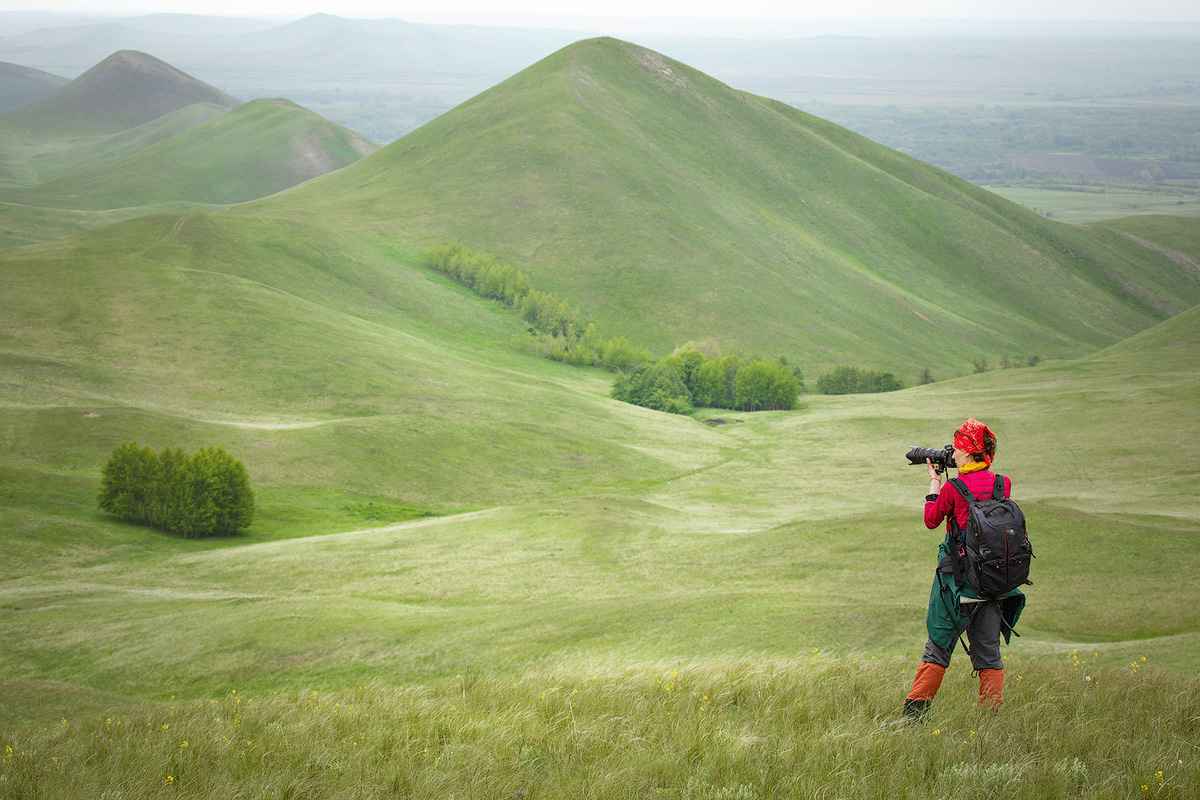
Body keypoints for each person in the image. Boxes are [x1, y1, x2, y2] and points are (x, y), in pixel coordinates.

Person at [903, 418, 1025, 719]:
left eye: (958, 450)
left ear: (969, 453)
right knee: (988, 653)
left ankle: (914, 715)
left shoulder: (954, 488)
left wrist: (934, 480)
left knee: (939, 645)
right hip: (994, 584)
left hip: (958, 584)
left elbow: (931, 519)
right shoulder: (1002, 484)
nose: (954, 455)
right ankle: (990, 719)